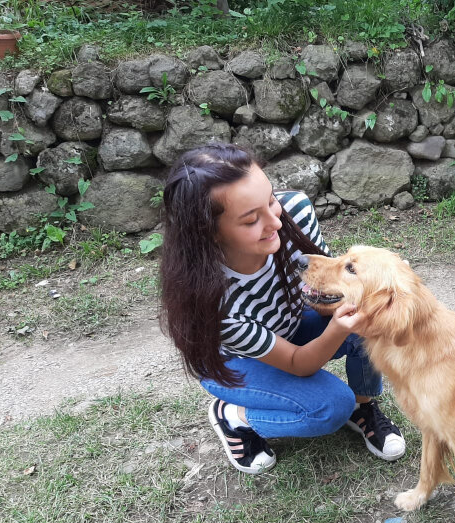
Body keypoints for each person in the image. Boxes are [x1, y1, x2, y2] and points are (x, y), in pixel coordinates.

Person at [159, 142, 406, 474]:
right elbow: (296, 363)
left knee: (375, 317)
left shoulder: (295, 212)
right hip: (236, 364)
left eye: (271, 200)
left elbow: (323, 291)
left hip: (288, 324)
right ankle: (233, 416)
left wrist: (355, 299)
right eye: (250, 220)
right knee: (328, 408)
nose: (275, 222)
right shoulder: (213, 299)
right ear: (209, 233)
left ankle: (363, 406)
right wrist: (337, 328)